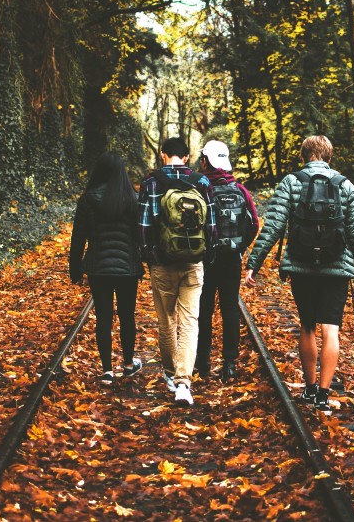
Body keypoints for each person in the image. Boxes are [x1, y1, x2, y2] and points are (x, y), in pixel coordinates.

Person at [244, 135, 354, 414]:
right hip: (337, 268)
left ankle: (310, 387)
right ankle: (324, 394)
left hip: (302, 266)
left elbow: (274, 226)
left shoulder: (291, 182)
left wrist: (254, 263)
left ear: (304, 156)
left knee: (307, 326)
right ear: (329, 157)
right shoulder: (346, 186)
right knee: (331, 329)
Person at [138, 136, 217, 406]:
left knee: (166, 323)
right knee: (190, 322)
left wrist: (150, 256)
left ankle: (171, 376)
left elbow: (144, 225)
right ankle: (185, 383)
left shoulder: (151, 181)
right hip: (194, 262)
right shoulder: (202, 182)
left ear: (163, 155)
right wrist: (207, 256)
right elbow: (212, 225)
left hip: (162, 263)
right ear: (187, 157)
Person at [69, 152, 144, 384]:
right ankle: (129, 364)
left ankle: (107, 370)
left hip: (98, 267)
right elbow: (140, 235)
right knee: (127, 316)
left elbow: (78, 237)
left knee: (103, 317)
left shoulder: (88, 199)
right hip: (127, 268)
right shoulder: (133, 198)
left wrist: (75, 269)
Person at [195, 140, 258, 382]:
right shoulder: (240, 190)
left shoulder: (201, 189)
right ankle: (229, 363)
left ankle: (202, 362)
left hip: (206, 259)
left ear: (205, 161)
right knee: (230, 309)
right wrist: (240, 246)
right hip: (232, 259)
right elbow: (254, 223)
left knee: (204, 309)